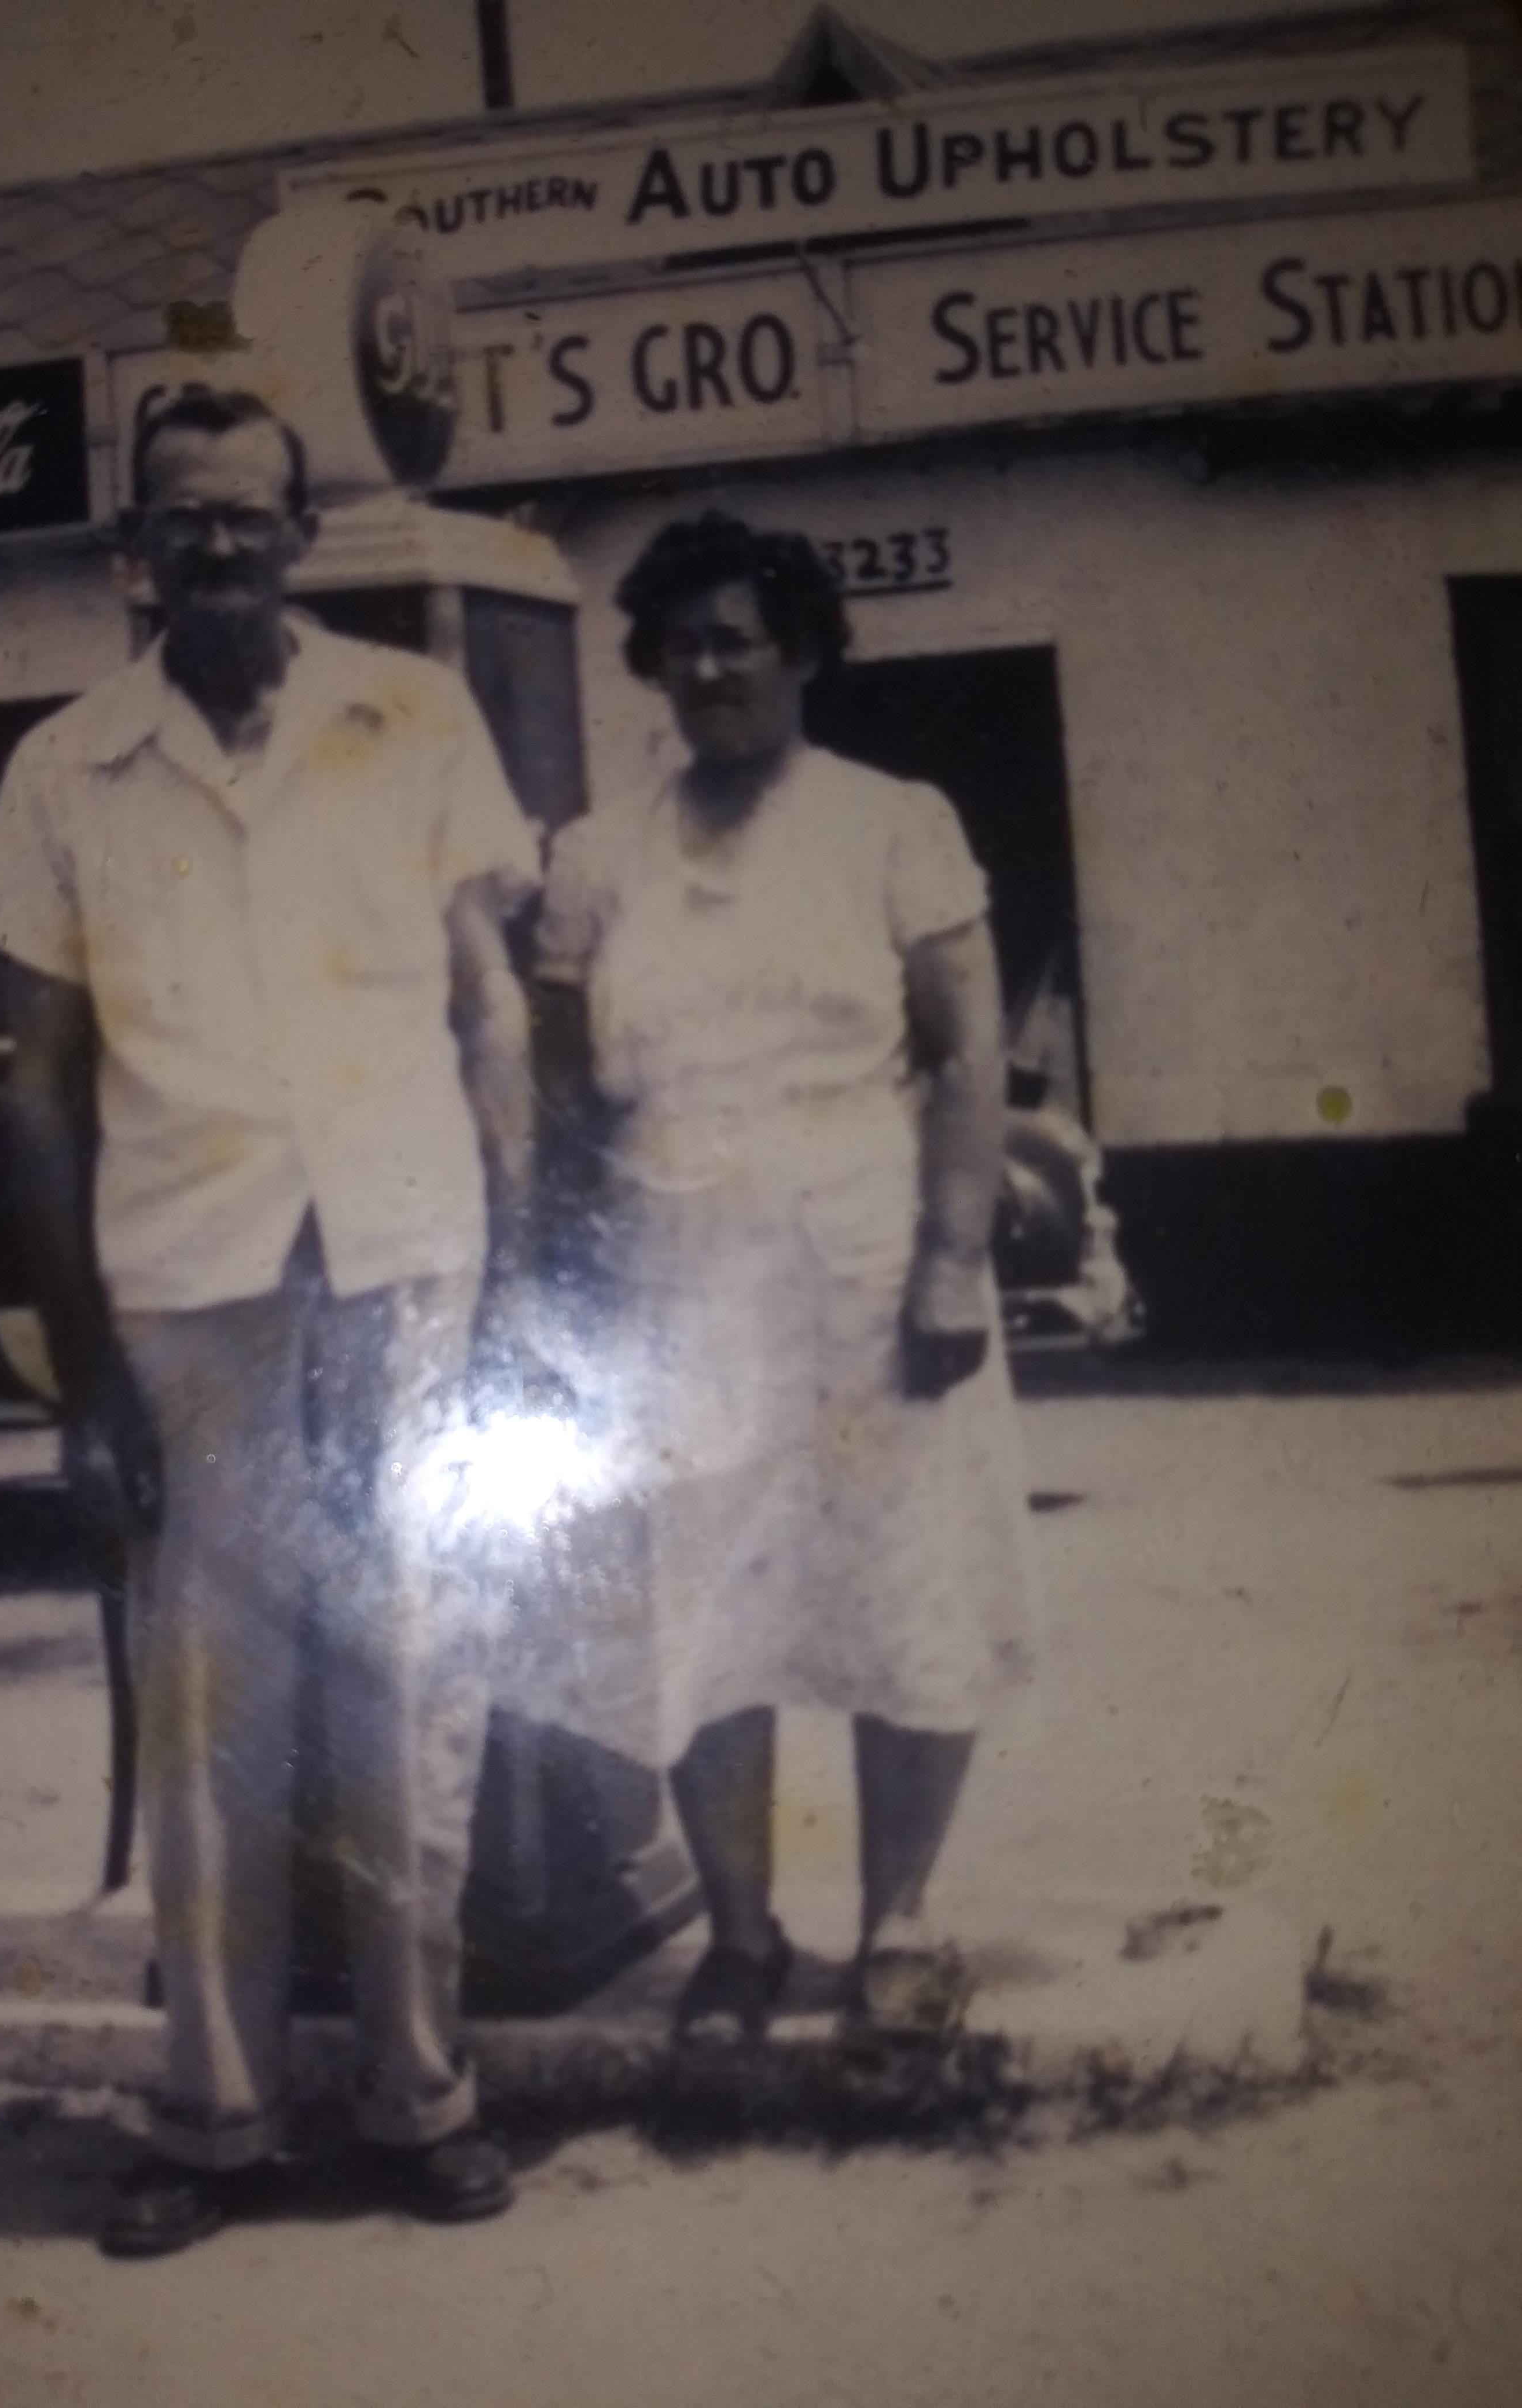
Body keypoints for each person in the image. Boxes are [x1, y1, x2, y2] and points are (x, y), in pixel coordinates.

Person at [0, 387, 539, 2253]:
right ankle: (215, 2122)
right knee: (213, 1728)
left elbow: (492, 1018)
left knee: (408, 1687)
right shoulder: (64, 770)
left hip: (405, 1269)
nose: (218, 545)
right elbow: (39, 1093)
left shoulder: (414, 718)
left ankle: (421, 2092)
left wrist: (512, 1288)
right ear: (134, 544)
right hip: (188, 1292)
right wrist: (85, 1383)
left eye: (249, 515)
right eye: (181, 517)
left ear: (303, 535)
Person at [533, 511, 1034, 2044]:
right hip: (673, 1271)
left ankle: (898, 1925)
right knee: (703, 1602)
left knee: (904, 1585)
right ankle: (741, 1937)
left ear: (802, 648)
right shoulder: (597, 854)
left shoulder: (896, 822)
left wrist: (952, 1261)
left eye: (739, 638)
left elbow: (967, 1058)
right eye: (681, 644)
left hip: (869, 1259)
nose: (710, 667)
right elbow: (559, 1100)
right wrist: (571, 1295)